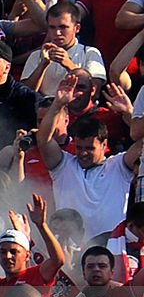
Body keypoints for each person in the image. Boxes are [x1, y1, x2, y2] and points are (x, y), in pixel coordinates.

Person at [37, 81, 142, 240]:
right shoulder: (63, 166)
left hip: (110, 252)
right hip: (71, 251)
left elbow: (142, 142)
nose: (83, 153)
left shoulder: (119, 165)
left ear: (104, 144)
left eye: (90, 148)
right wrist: (58, 103)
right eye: (79, 148)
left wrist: (129, 114)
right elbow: (43, 139)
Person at [20, 2, 105, 95]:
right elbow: (25, 94)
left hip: (75, 107)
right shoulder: (37, 55)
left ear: (77, 28)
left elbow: (94, 91)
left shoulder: (90, 53)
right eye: (52, 27)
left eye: (63, 27)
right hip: (44, 106)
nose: (57, 33)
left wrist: (69, 65)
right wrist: (42, 65)